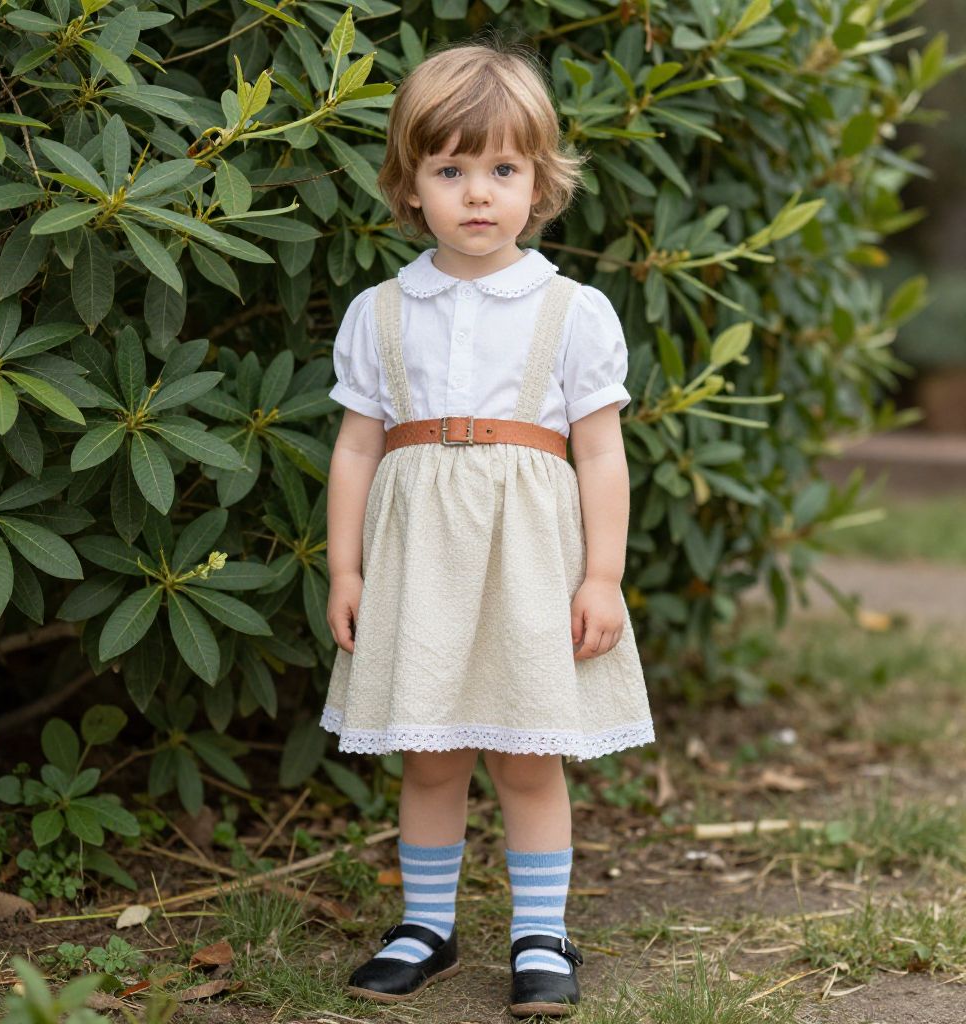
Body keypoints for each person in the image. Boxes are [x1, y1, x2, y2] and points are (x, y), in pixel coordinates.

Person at [321, 35, 655, 1019]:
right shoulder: (382, 311)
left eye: (503, 169)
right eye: (450, 169)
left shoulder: (573, 311)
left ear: (539, 182)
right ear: (408, 184)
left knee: (526, 753)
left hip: (528, 563)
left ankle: (540, 933)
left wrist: (602, 576)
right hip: (419, 563)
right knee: (430, 754)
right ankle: (425, 925)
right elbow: (355, 449)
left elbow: (601, 455)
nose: (477, 193)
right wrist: (344, 569)